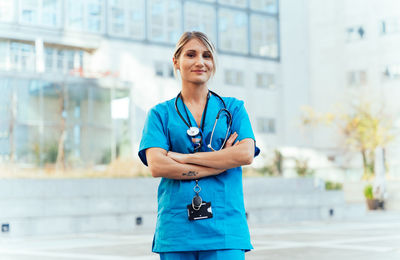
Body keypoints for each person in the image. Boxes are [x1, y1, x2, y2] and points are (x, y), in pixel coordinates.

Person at [138, 31, 260, 260]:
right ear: (176, 61)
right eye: (191, 54)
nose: (200, 62)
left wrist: (182, 158)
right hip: (176, 230)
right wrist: (220, 163)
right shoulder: (160, 114)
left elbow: (245, 154)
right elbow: (157, 166)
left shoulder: (233, 109)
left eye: (207, 55)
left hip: (225, 230)